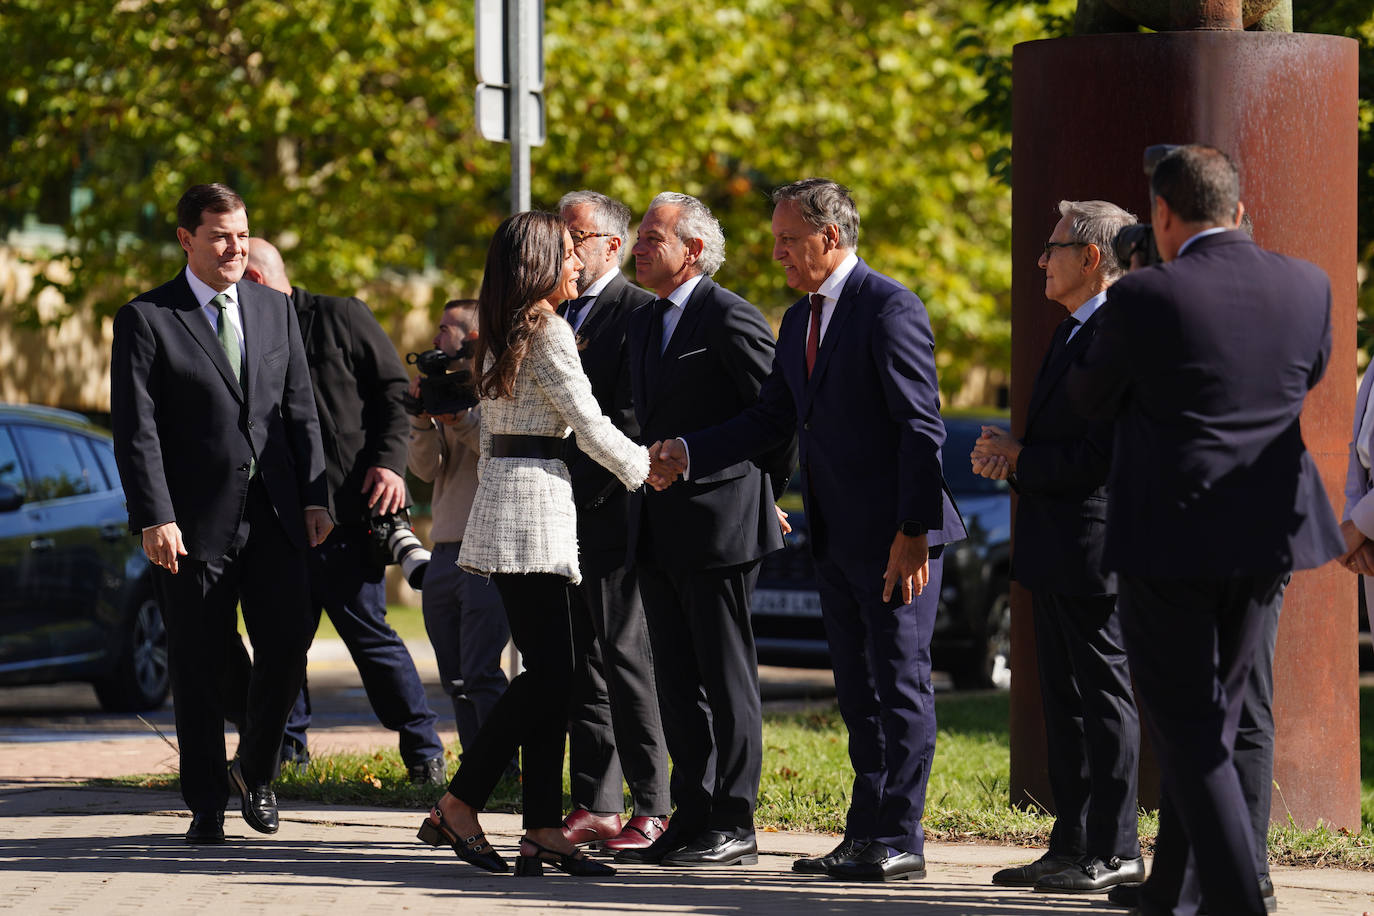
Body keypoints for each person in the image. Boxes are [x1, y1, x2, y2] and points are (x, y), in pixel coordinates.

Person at [650, 178, 964, 881]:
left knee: (899, 687)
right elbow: (771, 418)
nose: (777, 254)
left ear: (831, 236)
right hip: (838, 538)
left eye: (788, 240)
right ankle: (864, 833)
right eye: (775, 240)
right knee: (857, 692)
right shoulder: (798, 320)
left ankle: (901, 838)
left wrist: (913, 528)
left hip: (899, 540)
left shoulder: (890, 307)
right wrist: (689, 451)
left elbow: (921, 427)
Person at [1066, 145, 1342, 916]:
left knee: (1189, 727)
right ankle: (1178, 887)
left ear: (1160, 214)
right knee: (1221, 714)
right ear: (1239, 210)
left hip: (1171, 538)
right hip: (1270, 532)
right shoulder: (1308, 284)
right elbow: (1309, 373)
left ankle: (1234, 900)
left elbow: (1090, 397)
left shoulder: (1144, 296)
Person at [416, 211, 648, 878]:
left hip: (513, 504)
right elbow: (589, 423)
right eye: (567, 252)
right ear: (541, 263)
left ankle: (543, 828)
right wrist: (649, 472)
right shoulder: (547, 331)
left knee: (550, 676)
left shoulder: (505, 328)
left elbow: (496, 432)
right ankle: (460, 802)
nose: (577, 262)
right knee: (553, 675)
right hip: (535, 511)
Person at [110, 183, 332, 845]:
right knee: (198, 665)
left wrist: (316, 497)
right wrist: (155, 515)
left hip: (276, 517)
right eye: (220, 236)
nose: (235, 247)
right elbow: (137, 430)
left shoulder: (273, 307)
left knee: (287, 648)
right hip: (189, 524)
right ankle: (206, 803)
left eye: (242, 234)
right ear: (187, 240)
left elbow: (300, 410)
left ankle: (255, 770)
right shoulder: (147, 318)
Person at [613, 191, 793, 869]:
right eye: (638, 237)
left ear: (692, 250)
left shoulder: (729, 315)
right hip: (656, 523)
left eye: (652, 239)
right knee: (676, 679)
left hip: (721, 524)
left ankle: (735, 821)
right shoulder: (643, 321)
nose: (638, 248)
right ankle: (690, 815)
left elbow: (776, 417)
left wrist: (765, 493)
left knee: (725, 678)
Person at [972, 200, 1143, 895]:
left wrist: (1021, 458)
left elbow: (1104, 456)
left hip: (1094, 547)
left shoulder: (1117, 332)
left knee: (1104, 699)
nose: (1041, 260)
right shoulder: (1072, 329)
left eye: (1053, 248)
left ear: (1092, 257)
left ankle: (1118, 847)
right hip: (1054, 544)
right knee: (1065, 703)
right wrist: (1013, 458)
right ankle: (1071, 843)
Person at [240, 240, 445, 787]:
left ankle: (424, 753)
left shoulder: (341, 316)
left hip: (348, 518)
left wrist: (390, 465)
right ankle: (288, 757)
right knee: (282, 644)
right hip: (279, 521)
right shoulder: (244, 333)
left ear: (255, 279)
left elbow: (394, 393)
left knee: (370, 639)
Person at [555, 190, 671, 853]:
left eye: (578, 236)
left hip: (614, 508)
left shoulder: (637, 312)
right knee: (581, 664)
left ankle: (652, 804)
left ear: (612, 244)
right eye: (561, 234)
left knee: (625, 658)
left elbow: (631, 418)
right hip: (557, 515)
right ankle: (595, 802)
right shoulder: (554, 309)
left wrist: (591, 488)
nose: (566, 247)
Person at [406, 299, 513, 762]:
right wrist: (421, 420)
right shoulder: (444, 389)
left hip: (486, 548)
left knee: (481, 672)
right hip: (444, 550)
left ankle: (502, 768)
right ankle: (474, 773)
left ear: (472, 337)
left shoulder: (501, 386)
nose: (435, 338)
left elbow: (498, 449)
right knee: (454, 678)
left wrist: (463, 420)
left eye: (445, 329)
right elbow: (425, 470)